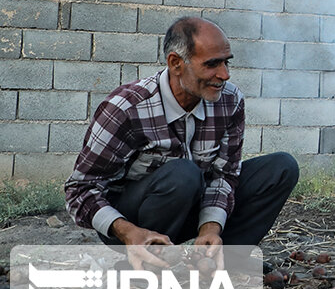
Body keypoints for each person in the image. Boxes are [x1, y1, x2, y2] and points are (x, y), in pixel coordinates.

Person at [65, 17, 299, 264]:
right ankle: (145, 261)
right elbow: (79, 190)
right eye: (212, 65)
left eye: (226, 63)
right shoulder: (127, 108)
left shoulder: (229, 101)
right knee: (183, 174)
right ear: (176, 63)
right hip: (132, 226)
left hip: (192, 209)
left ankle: (215, 262)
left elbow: (225, 175)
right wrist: (129, 232)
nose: (224, 75)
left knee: (280, 168)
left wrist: (211, 227)